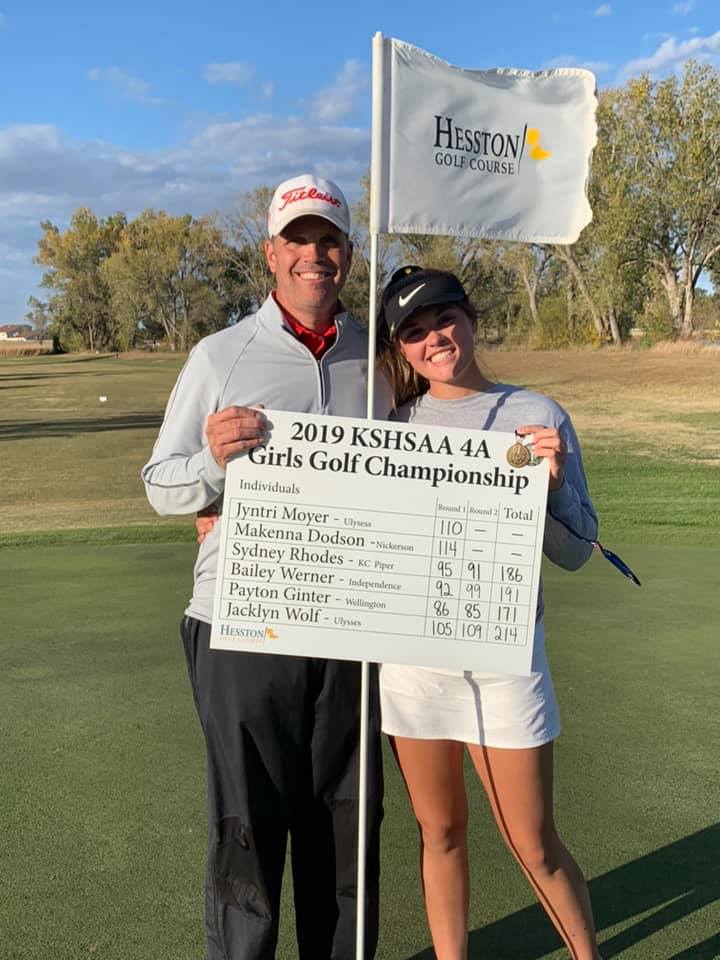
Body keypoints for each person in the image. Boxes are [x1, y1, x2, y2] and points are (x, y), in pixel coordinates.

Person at [142, 174, 389, 960]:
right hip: (241, 620)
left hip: (352, 623)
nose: (315, 255)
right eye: (299, 240)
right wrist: (213, 468)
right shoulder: (221, 354)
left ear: (347, 252)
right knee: (249, 822)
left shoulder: (380, 358)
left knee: (345, 820)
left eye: (329, 240)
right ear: (271, 254)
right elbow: (160, 484)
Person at [374, 265, 603, 960]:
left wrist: (551, 490)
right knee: (438, 831)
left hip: (505, 656)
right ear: (399, 349)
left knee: (532, 841)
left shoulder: (537, 414)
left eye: (443, 319)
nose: (434, 339)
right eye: (413, 332)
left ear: (470, 317)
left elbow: (577, 552)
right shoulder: (392, 424)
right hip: (412, 661)